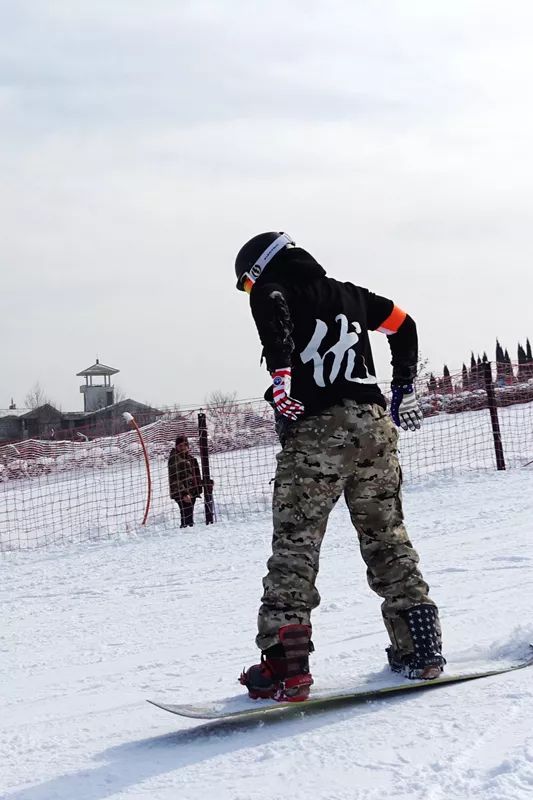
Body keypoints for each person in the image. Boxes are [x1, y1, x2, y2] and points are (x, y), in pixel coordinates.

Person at [235, 231, 445, 703]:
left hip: (316, 431)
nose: (251, 295)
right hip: (373, 428)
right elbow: (404, 324)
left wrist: (282, 375)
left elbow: (270, 301)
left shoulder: (274, 291)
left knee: (296, 546)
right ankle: (421, 647)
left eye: (247, 285)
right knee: (387, 537)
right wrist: (404, 385)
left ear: (261, 268)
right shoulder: (351, 295)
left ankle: (286, 667)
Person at [168, 435, 203, 528]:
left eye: (185, 445)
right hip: (182, 493)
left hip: (191, 491)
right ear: (176, 447)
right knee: (186, 517)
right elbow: (174, 478)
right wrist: (183, 493)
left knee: (189, 516)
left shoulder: (190, 458)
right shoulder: (175, 459)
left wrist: (204, 483)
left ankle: (188, 532)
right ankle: (185, 534)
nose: (183, 447)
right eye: (180, 445)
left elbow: (194, 475)